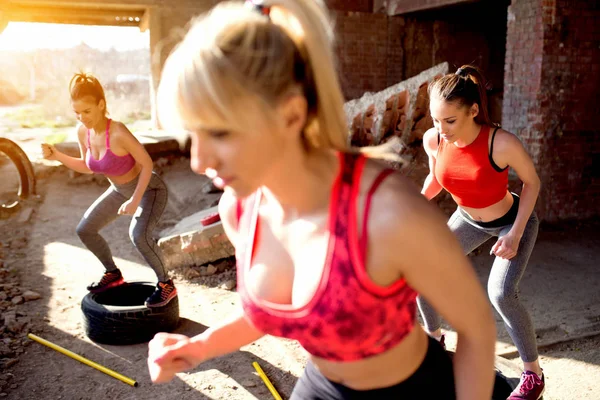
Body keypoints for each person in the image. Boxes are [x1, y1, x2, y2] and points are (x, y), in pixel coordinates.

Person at [147, 1, 496, 399]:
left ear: (291, 115)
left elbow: (477, 328)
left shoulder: (388, 213)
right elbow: (275, 308)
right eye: (194, 134)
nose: (198, 161)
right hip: (321, 387)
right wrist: (200, 347)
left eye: (221, 133)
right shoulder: (240, 210)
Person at [418, 65, 544, 400]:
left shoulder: (500, 143)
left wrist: (515, 234)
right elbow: (436, 181)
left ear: (473, 111)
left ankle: (533, 375)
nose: (441, 129)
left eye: (450, 121)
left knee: (501, 293)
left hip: (512, 220)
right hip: (467, 219)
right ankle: (434, 340)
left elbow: (532, 183)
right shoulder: (434, 140)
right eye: (435, 120)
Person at [41, 72, 177, 308]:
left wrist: (135, 200)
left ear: (101, 105)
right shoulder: (84, 132)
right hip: (119, 190)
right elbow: (87, 166)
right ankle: (113, 274)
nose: (82, 118)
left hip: (150, 190)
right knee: (85, 229)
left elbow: (147, 164)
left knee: (139, 236)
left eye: (87, 111)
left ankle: (166, 285)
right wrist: (57, 156)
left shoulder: (118, 132)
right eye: (77, 113)